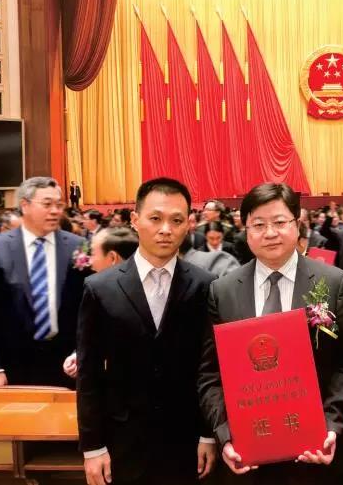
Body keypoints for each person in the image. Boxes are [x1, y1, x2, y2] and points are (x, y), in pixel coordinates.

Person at [198, 183, 343, 485]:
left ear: (297, 224)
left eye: (279, 222)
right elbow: (210, 373)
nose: (270, 233)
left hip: (318, 455)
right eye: (258, 225)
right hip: (248, 459)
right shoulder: (223, 291)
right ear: (246, 230)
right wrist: (226, 435)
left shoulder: (333, 283)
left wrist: (330, 425)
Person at [77, 178, 217, 485]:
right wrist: (92, 446)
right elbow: (89, 374)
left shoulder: (205, 285)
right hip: (122, 439)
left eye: (176, 220)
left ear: (188, 224)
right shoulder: (100, 288)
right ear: (135, 219)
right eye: (155, 218)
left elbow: (210, 367)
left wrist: (208, 434)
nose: (166, 229)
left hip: (185, 439)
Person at [0, 177, 88, 387]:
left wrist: (80, 352)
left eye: (59, 205)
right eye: (47, 204)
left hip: (67, 361)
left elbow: (88, 306)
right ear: (25, 205)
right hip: (13, 362)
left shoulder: (79, 246)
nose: (55, 211)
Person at [63, 227, 139, 379]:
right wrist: (79, 355)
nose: (90, 262)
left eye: (93, 254)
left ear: (112, 258)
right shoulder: (96, 290)